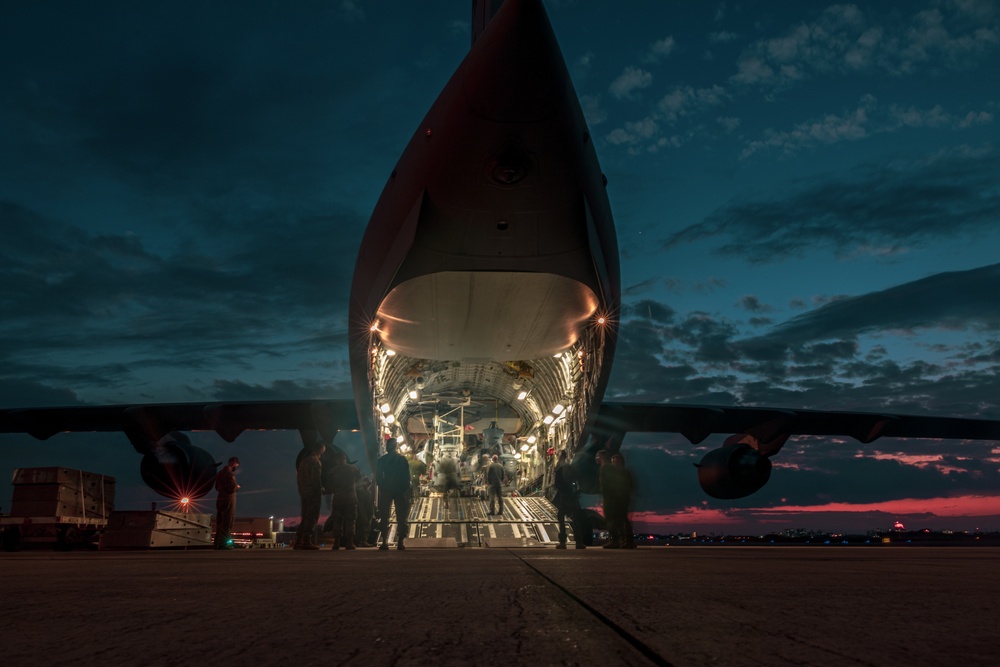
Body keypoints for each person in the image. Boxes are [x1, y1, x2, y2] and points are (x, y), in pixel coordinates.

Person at [376, 438, 411, 550]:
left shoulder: (382, 460)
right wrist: (404, 488)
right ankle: (400, 542)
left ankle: (384, 542)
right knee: (401, 516)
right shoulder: (402, 459)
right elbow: (407, 477)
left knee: (384, 515)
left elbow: (378, 476)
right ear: (396, 446)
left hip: (386, 490)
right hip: (399, 490)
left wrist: (382, 485)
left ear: (387, 446)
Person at [322, 450, 361, 550]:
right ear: (345, 459)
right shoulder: (353, 468)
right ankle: (349, 543)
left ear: (336, 460)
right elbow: (359, 479)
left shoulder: (332, 471)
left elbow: (328, 487)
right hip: (350, 498)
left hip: (338, 498)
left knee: (337, 521)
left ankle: (336, 543)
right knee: (350, 520)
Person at [552, 450, 585, 549]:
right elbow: (577, 480)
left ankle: (562, 542)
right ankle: (579, 542)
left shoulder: (559, 469)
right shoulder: (570, 467)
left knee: (561, 519)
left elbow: (557, 484)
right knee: (576, 520)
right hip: (572, 497)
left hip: (563, 497)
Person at [295, 445, 325, 550]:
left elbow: (298, 477)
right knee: (312, 516)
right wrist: (319, 491)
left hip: (303, 491)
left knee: (305, 516)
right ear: (321, 450)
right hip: (313, 493)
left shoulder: (303, 462)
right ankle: (307, 540)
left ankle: (299, 540)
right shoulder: (315, 462)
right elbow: (316, 479)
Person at [214, 457, 240, 550]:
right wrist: (237, 487)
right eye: (236, 465)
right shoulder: (229, 474)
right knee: (227, 521)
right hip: (228, 499)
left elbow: (216, 487)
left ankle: (217, 544)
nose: (236, 467)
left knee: (220, 521)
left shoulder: (219, 473)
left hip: (220, 499)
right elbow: (232, 488)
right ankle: (224, 544)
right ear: (233, 463)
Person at [611, 453, 637, 548]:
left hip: (622, 499)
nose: (614, 464)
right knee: (620, 520)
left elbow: (629, 486)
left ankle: (628, 541)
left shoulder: (624, 473)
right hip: (619, 499)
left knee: (623, 520)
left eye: (616, 462)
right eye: (613, 462)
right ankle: (624, 540)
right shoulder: (620, 473)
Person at [354, 476, 376, 547]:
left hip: (367, 513)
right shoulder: (363, 492)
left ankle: (361, 541)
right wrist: (364, 515)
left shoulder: (366, 492)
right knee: (363, 526)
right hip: (364, 513)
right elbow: (361, 505)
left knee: (364, 526)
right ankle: (363, 541)